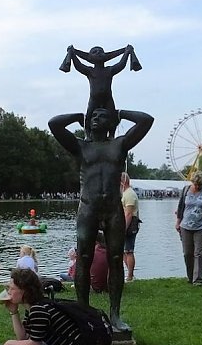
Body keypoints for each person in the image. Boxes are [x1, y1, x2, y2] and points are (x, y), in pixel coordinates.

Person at [49, 107, 153, 330]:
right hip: (88, 208)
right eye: (93, 116)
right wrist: (76, 116)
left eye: (102, 116)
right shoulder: (81, 146)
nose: (96, 118)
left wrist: (122, 113)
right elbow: (54, 124)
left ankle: (115, 315)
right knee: (83, 258)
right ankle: (83, 313)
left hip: (113, 208)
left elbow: (146, 121)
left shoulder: (120, 145)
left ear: (111, 123)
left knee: (116, 259)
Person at [59, 45, 141, 137]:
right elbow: (79, 66)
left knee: (113, 116)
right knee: (89, 116)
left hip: (108, 98)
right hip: (94, 98)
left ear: (105, 56)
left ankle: (111, 135)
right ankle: (88, 135)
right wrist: (73, 55)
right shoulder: (90, 71)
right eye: (94, 52)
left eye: (100, 51)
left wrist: (126, 53)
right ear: (90, 58)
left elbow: (121, 64)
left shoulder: (109, 70)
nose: (98, 52)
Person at [120, 172, 140, 282]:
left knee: (129, 251)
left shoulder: (129, 195)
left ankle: (130, 276)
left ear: (123, 182)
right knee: (124, 251)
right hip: (127, 225)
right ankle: (129, 274)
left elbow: (128, 214)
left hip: (130, 226)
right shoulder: (125, 193)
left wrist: (124, 228)